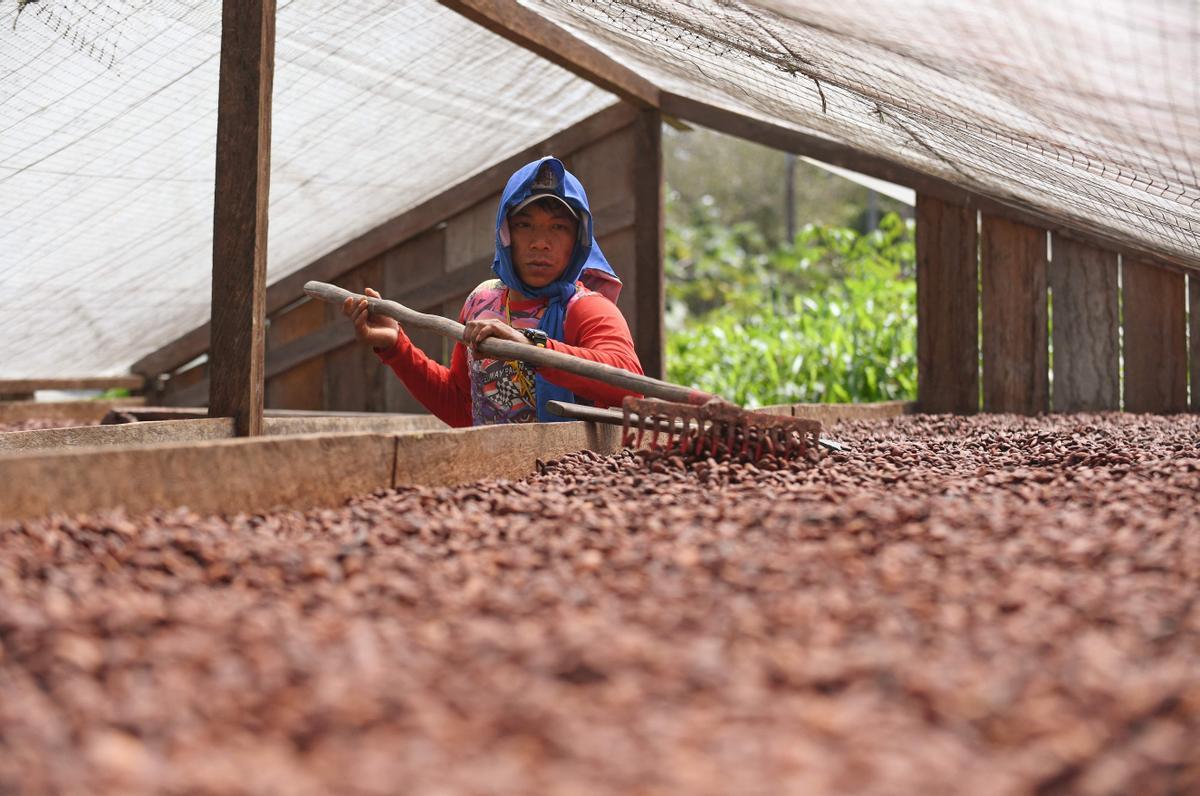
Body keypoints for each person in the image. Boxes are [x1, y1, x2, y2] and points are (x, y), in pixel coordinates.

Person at [343, 156, 644, 427]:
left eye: (558, 228)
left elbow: (630, 384)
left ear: (579, 239)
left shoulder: (586, 307)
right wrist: (396, 347)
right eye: (525, 225)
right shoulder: (482, 301)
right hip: (494, 477)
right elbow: (464, 409)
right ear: (505, 234)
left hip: (567, 481)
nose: (540, 242)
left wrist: (531, 347)